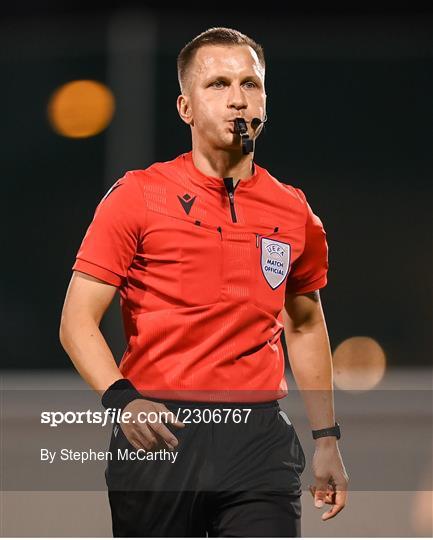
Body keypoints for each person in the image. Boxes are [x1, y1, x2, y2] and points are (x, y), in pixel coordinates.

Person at [59, 26, 349, 537]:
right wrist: (122, 399)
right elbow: (77, 320)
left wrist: (326, 438)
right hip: (161, 433)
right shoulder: (137, 196)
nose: (238, 99)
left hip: (259, 438)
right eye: (218, 84)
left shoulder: (293, 209)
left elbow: (304, 326)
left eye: (250, 84)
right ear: (185, 108)